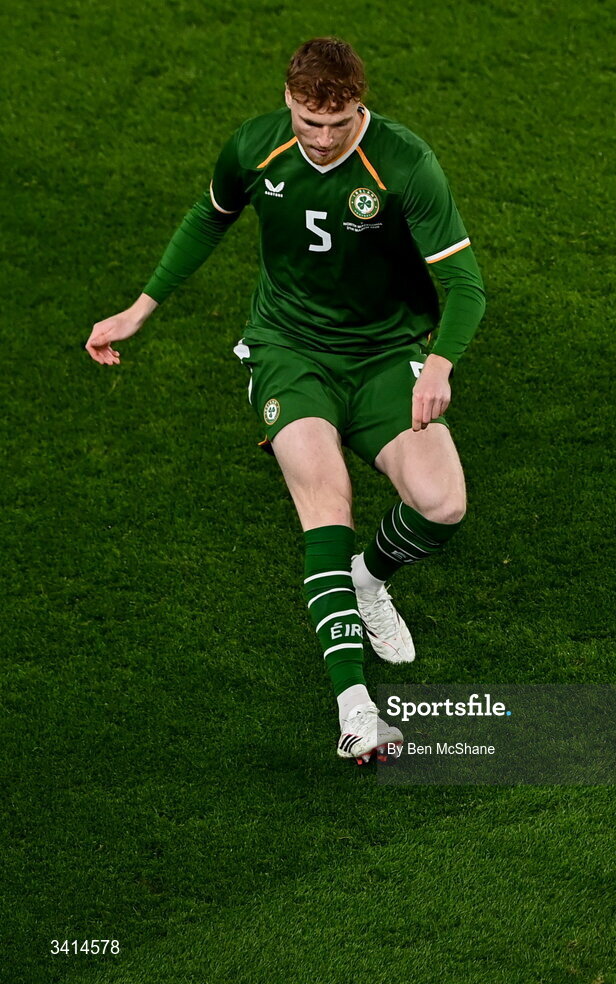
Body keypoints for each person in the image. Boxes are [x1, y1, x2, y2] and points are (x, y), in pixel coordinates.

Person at [86, 38, 486, 764]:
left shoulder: (403, 164)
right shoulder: (254, 149)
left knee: (442, 505)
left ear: (359, 104)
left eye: (339, 124)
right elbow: (209, 217)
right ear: (289, 100)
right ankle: (355, 710)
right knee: (326, 499)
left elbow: (466, 284)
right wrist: (140, 308)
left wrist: (438, 365)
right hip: (288, 352)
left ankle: (367, 580)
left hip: (383, 354)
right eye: (309, 122)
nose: (324, 140)